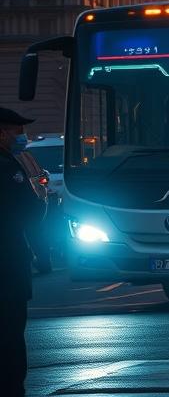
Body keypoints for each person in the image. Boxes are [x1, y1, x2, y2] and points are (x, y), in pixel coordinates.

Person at [0, 107, 46, 396]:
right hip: (7, 263)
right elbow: (29, 211)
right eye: (17, 131)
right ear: (1, 132)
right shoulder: (7, 167)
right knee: (10, 332)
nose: (22, 136)